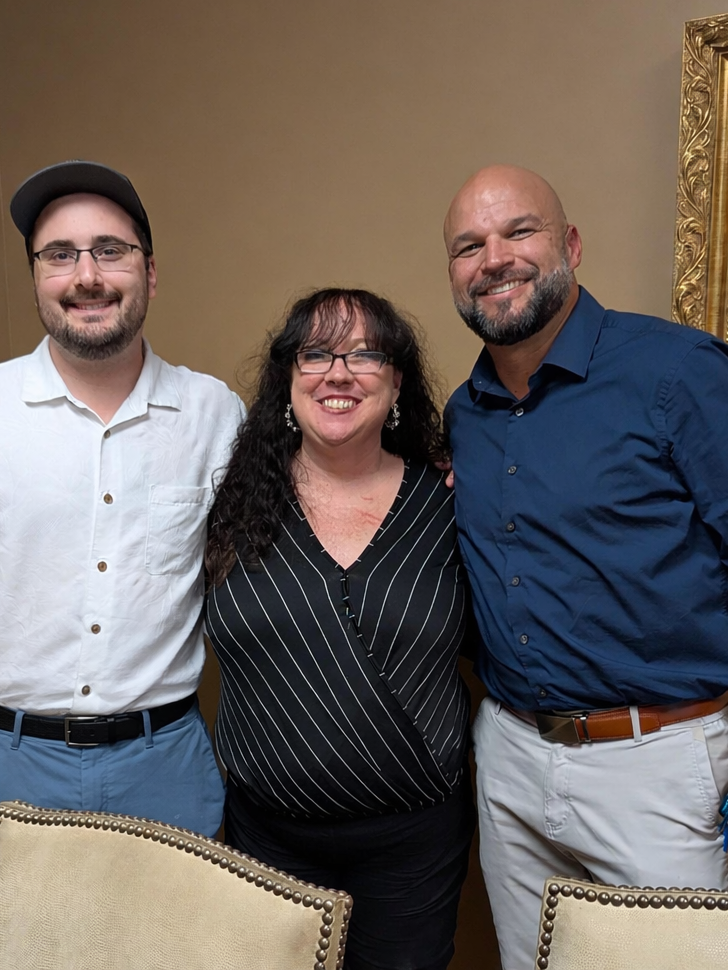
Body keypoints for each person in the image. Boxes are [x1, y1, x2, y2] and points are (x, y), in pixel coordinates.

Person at [441, 164, 728, 969]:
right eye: (468, 245)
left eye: (518, 232)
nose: (494, 258)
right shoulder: (467, 413)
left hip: (656, 764)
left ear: (570, 245)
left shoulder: (678, 372)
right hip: (509, 757)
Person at [0, 160, 244, 970]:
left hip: (166, 769)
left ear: (149, 272)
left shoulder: (215, 415)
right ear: (37, 276)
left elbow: (287, 555)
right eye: (60, 254)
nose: (86, 276)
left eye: (110, 251)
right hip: (1, 768)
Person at [205, 288, 476, 970]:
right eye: (316, 353)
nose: (338, 372)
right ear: (287, 378)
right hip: (266, 837)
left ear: (397, 382)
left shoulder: (453, 500)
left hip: (412, 845)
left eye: (365, 354)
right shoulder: (229, 502)